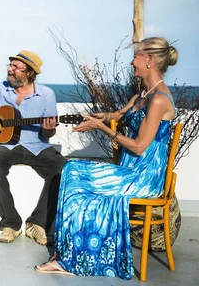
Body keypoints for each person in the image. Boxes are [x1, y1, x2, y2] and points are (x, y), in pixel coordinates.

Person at [35, 37, 178, 279]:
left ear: (150, 60)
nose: (132, 62)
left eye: (137, 56)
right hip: (128, 170)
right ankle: (70, 253)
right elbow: (119, 115)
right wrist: (99, 118)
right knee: (71, 170)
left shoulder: (159, 99)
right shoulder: (144, 93)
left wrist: (102, 128)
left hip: (141, 177)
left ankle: (72, 258)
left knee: (74, 173)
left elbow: (140, 146)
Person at [0, 50, 64, 246]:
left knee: (64, 170)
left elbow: (48, 134)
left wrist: (49, 130)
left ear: (30, 73)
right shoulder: (1, 89)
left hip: (37, 146)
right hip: (7, 145)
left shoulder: (46, 95)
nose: (10, 69)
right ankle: (11, 223)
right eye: (10, 66)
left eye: (16, 67)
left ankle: (38, 223)